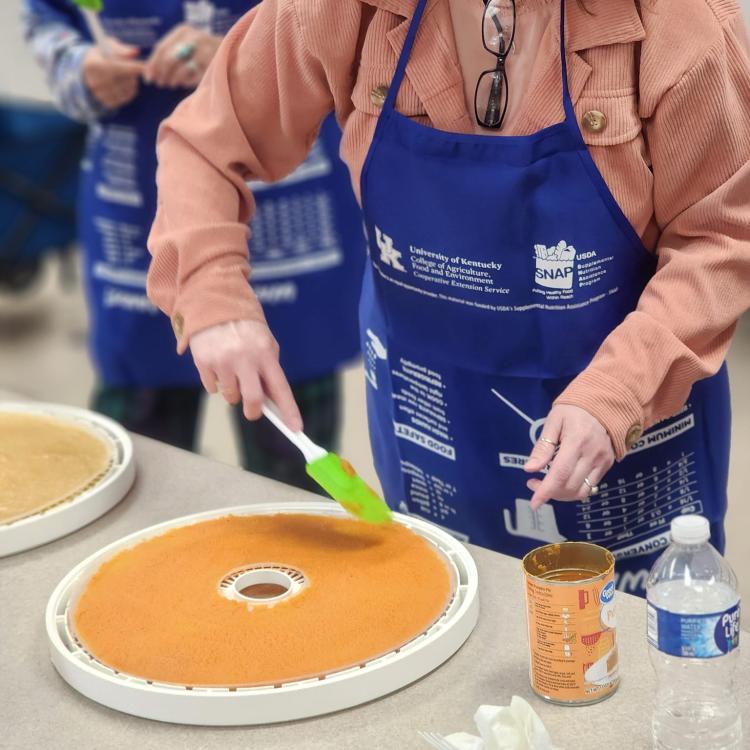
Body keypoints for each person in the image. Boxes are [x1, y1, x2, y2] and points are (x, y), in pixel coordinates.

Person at [147, 0, 750, 595]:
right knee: (446, 627)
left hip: (622, 429)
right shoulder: (342, 11)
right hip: (430, 415)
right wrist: (212, 292)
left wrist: (619, 393)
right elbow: (204, 145)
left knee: (617, 664)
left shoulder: (678, 24)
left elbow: (721, 236)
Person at [23, 0, 364, 490]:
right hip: (139, 188)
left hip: (287, 200)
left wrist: (250, 61)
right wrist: (79, 69)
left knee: (291, 452)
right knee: (140, 463)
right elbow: (46, 19)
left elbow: (355, 29)